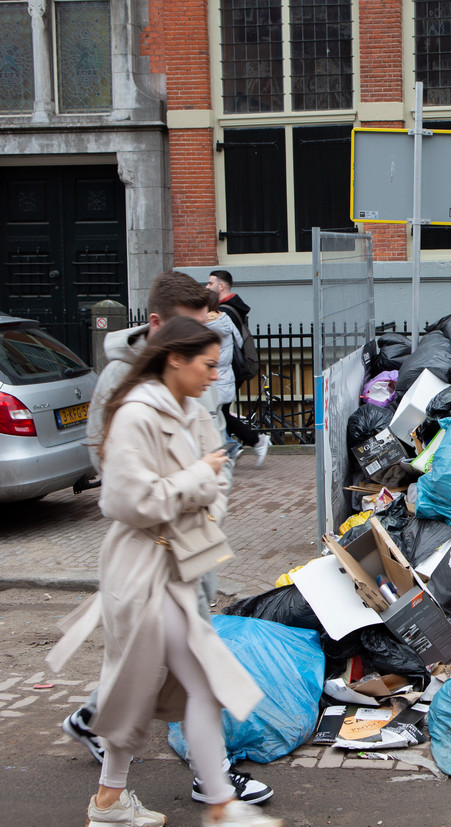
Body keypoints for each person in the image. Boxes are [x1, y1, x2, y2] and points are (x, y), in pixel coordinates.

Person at [48, 317, 282, 827]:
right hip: (141, 569)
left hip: (177, 565)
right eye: (208, 365)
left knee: (140, 690)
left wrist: (201, 492)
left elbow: (217, 486)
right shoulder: (138, 413)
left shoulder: (192, 410)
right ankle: (220, 803)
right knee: (196, 681)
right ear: (175, 357)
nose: (214, 376)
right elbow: (126, 499)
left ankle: (111, 800)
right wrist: (197, 481)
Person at [205, 290, 269, 466]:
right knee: (220, 415)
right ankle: (240, 444)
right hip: (227, 376)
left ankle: (236, 445)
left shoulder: (205, 325)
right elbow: (239, 342)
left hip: (214, 378)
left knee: (216, 415)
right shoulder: (225, 319)